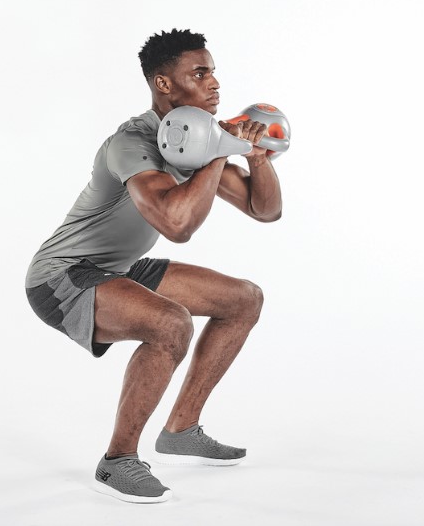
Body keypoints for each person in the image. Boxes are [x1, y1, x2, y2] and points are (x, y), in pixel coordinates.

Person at [25, 28, 282, 503]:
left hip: (118, 268)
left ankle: (181, 430)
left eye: (213, 72)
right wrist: (221, 151)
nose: (214, 84)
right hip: (61, 277)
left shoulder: (201, 138)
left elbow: (265, 210)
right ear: (164, 84)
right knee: (170, 324)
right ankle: (118, 461)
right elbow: (176, 224)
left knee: (243, 299)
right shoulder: (130, 142)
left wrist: (258, 159)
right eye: (199, 73)